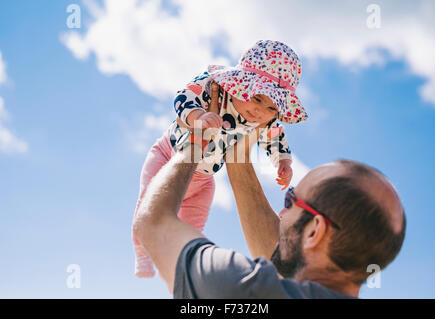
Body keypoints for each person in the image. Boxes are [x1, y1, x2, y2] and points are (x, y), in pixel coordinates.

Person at [132, 122, 407, 298]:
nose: (281, 212)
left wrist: (193, 143)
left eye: (290, 200)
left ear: (315, 232)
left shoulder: (241, 289)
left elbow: (152, 223)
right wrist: (238, 159)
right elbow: (285, 259)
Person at [132, 40, 309, 278]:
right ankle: (142, 253)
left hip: (204, 179)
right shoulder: (216, 89)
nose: (259, 112)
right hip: (167, 155)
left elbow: (275, 136)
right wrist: (198, 117)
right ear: (242, 84)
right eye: (256, 99)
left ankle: (180, 271)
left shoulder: (262, 121)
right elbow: (183, 97)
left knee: (192, 229)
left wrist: (283, 161)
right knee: (147, 205)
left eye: (270, 108)